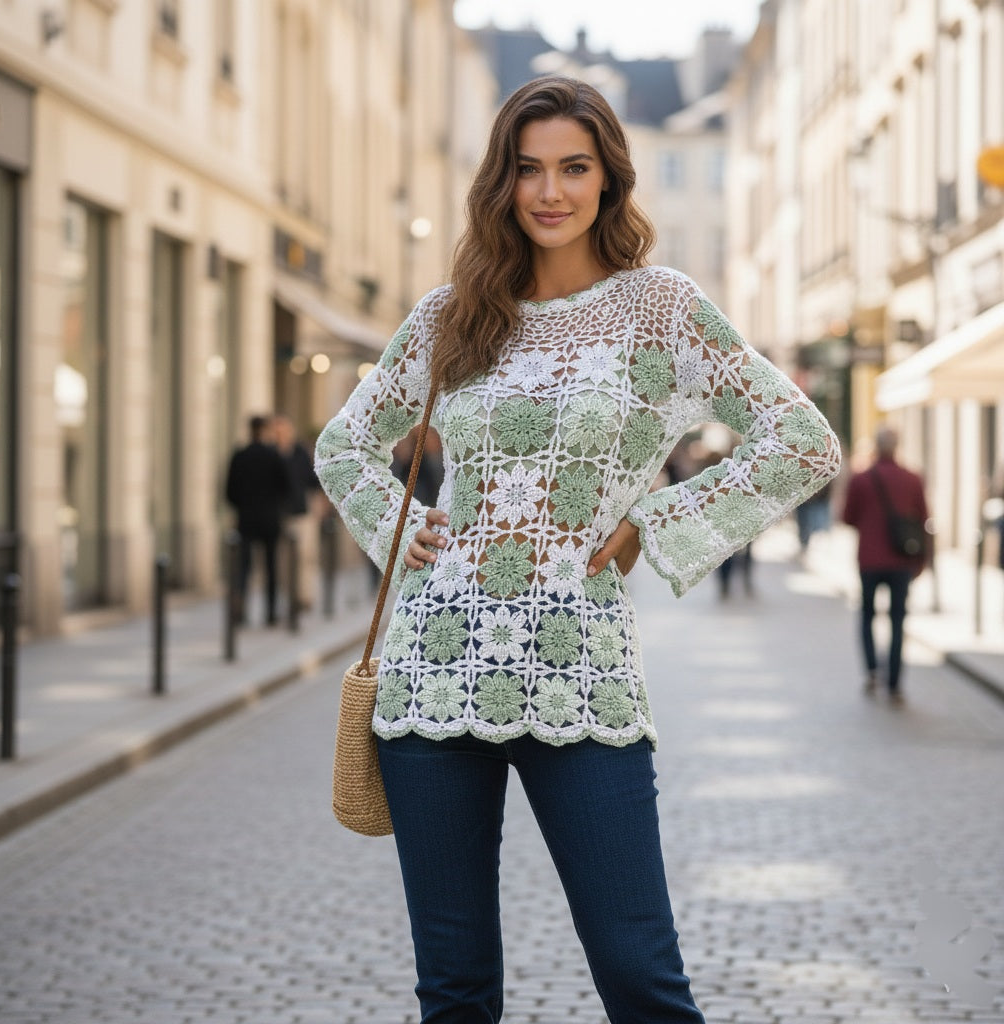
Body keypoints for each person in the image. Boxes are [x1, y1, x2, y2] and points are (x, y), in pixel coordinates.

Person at [315, 76, 841, 1023]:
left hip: (581, 674)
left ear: (609, 179)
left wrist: (658, 524)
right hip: (434, 671)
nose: (549, 191)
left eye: (573, 167)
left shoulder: (662, 311)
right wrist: (402, 527)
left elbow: (802, 439)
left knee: (642, 977)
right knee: (456, 991)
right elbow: (344, 442)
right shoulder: (452, 314)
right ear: (500, 184)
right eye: (527, 170)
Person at [841, 425, 929, 703]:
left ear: (876, 447)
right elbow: (924, 518)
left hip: (869, 559)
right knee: (898, 620)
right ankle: (894, 681)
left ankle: (871, 671)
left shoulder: (861, 479)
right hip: (901, 560)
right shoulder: (912, 479)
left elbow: (847, 517)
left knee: (867, 615)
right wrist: (922, 560)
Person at [225, 414, 291, 626]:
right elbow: (286, 487)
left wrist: (244, 506)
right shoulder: (273, 455)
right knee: (271, 567)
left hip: (246, 519)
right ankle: (270, 613)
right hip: (270, 519)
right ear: (263, 431)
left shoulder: (240, 455)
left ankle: (240, 612)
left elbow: (229, 491)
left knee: (244, 568)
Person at [271, 413, 322, 610]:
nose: (280, 434)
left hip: (302, 511)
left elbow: (312, 479)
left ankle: (304, 596)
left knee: (304, 556)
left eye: (282, 430)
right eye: (277, 431)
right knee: (284, 561)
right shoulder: (273, 453)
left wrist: (318, 504)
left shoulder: (299, 451)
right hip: (280, 513)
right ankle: (290, 597)